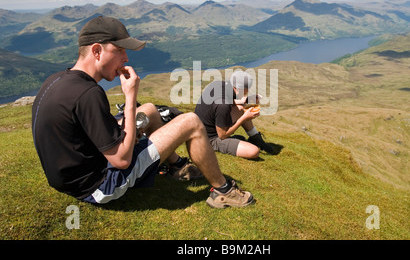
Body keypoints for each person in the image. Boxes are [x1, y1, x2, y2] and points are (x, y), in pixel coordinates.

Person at [31, 16, 254, 208]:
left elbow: (82, 132)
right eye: (118, 51)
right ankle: (223, 191)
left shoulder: (58, 79)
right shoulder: (89, 93)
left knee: (149, 110)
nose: (125, 58)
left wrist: (131, 121)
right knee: (191, 122)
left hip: (72, 176)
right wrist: (130, 97)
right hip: (99, 185)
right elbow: (121, 160)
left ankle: (177, 167)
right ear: (97, 51)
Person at [194, 71, 274, 159]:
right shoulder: (223, 105)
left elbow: (230, 101)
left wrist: (248, 100)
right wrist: (244, 118)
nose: (246, 93)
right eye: (245, 92)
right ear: (238, 89)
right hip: (209, 139)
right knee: (253, 152)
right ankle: (235, 141)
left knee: (240, 108)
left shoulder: (219, 85)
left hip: (206, 126)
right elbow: (222, 135)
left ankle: (255, 138)